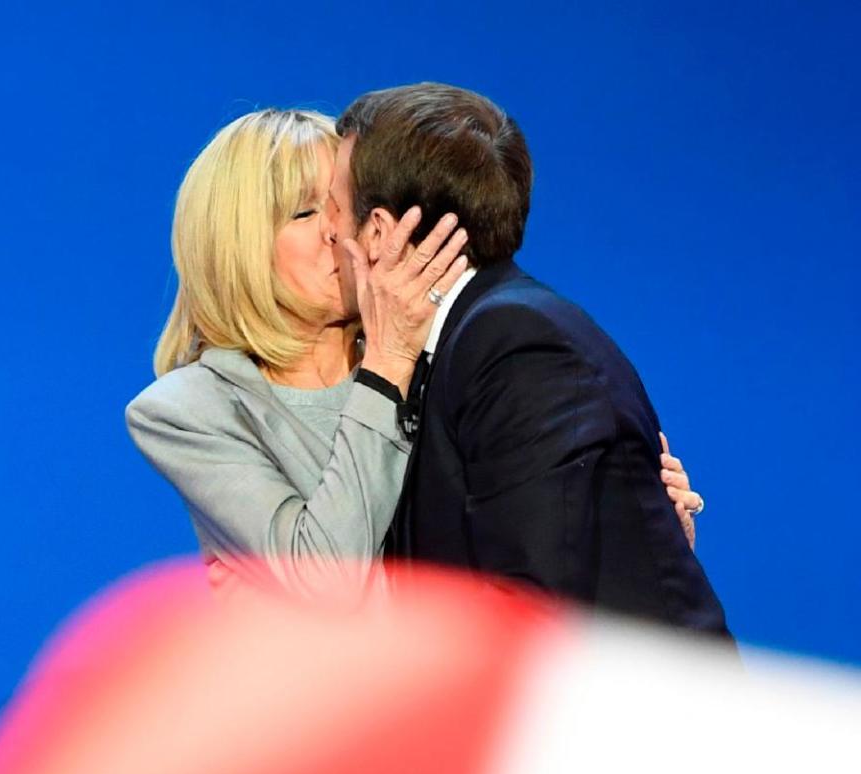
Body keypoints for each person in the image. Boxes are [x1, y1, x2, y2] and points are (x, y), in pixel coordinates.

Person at [126, 108, 702, 596]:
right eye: (305, 213)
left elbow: (508, 558)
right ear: (236, 247)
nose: (338, 232)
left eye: (340, 205)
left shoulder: (450, 356)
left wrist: (632, 522)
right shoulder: (189, 409)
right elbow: (329, 584)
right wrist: (386, 367)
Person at [329, 83, 728, 634]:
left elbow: (532, 611)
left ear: (376, 233)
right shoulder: (465, 341)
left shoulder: (515, 345)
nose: (327, 230)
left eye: (331, 206)